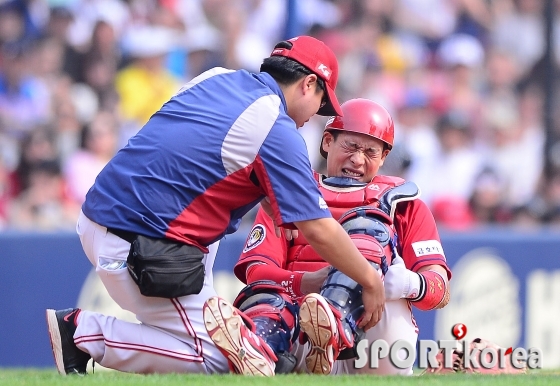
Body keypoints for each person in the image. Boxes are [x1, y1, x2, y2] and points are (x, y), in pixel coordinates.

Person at [45, 36, 385, 376]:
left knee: (222, 212)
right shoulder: (276, 128)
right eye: (321, 104)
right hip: (141, 240)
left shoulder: (214, 77)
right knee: (236, 361)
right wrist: (369, 279)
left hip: (108, 215)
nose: (315, 116)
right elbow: (317, 228)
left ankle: (207, 328)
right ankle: (83, 334)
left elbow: (181, 150)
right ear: (309, 83)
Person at [203, 98, 451, 376]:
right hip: (301, 336)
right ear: (327, 142)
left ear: (383, 158)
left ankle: (337, 321)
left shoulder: (402, 203)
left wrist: (404, 283)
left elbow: (439, 290)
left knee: (369, 226)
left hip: (371, 339)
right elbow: (257, 272)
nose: (358, 159)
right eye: (350, 146)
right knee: (266, 301)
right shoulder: (289, 192)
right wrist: (305, 282)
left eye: (370, 151)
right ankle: (257, 350)